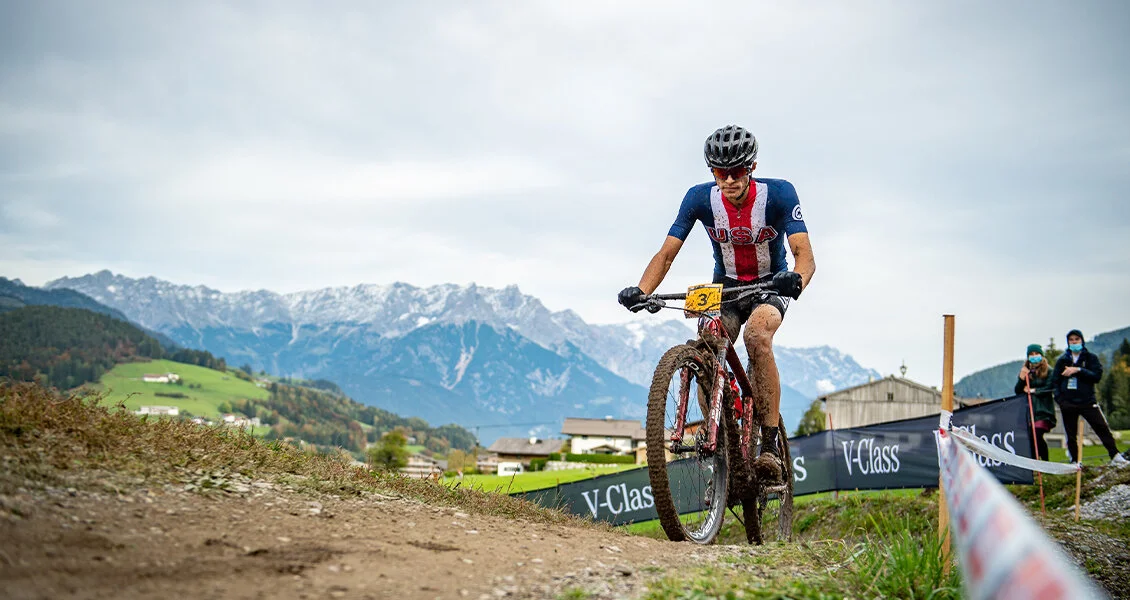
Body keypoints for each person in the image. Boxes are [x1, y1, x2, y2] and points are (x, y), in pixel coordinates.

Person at [617, 124, 816, 481]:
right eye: (720, 173)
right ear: (712, 172)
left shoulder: (780, 194)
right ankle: (721, 432)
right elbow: (666, 254)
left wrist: (796, 279)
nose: (729, 180)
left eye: (737, 171)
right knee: (709, 338)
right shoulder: (698, 198)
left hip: (771, 285)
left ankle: (768, 445)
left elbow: (805, 255)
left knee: (757, 336)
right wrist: (642, 289)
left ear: (751, 167)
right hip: (725, 287)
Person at [1051, 329, 1128, 467]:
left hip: (1087, 401)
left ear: (1082, 341)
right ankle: (1075, 461)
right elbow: (1055, 382)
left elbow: (1096, 376)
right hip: (1068, 403)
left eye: (1076, 339)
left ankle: (1115, 455)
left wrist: (1079, 370)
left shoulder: (1091, 358)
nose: (1074, 342)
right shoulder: (1062, 360)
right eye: (1071, 340)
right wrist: (1060, 401)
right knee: (1071, 433)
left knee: (1101, 427)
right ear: (1068, 342)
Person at [1016, 344, 1056, 461]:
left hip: (1043, 410)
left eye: (1036, 354)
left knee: (1037, 435)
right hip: (1029, 410)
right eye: (1031, 354)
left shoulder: (1049, 371)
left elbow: (1049, 388)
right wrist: (1021, 378)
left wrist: (1033, 391)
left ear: (1041, 355)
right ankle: (1035, 462)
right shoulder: (1026, 372)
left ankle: (1045, 461)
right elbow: (1018, 391)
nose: (1034, 357)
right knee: (1031, 438)